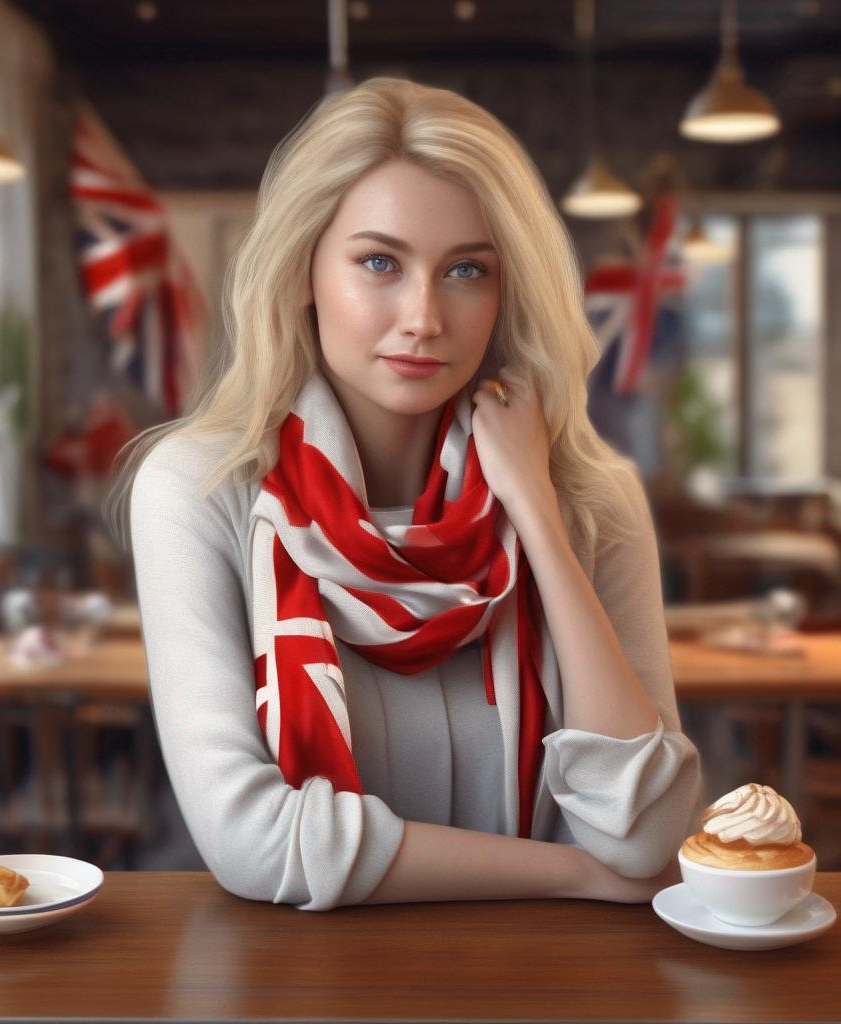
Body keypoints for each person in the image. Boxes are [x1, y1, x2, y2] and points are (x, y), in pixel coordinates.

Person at [105, 76, 704, 912]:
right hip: (308, 989)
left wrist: (535, 508)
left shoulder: (588, 494)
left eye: (465, 270)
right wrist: (573, 874)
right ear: (304, 268)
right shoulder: (199, 489)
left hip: (555, 985)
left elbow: (645, 830)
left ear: (505, 294)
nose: (423, 316)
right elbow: (253, 840)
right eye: (379, 262)